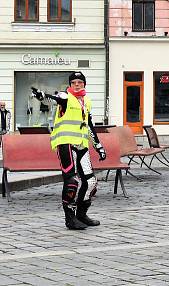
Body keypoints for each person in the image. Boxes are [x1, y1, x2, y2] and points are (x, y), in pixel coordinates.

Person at [31, 71, 107, 230]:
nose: (77, 84)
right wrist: (41, 96)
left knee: (91, 182)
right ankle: (70, 218)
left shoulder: (86, 100)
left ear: (84, 84)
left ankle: (81, 214)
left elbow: (89, 125)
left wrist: (98, 146)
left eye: (80, 82)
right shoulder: (65, 97)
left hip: (81, 144)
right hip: (65, 143)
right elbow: (53, 99)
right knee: (72, 181)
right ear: (70, 85)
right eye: (74, 82)